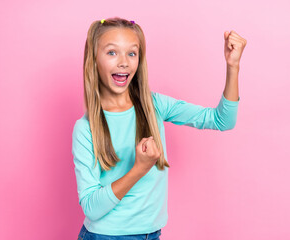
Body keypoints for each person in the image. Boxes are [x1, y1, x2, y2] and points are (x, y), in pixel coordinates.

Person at [72, 17, 247, 240]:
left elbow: (222, 120)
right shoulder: (85, 129)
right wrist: (139, 169)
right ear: (94, 60)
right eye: (112, 52)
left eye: (132, 53)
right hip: (106, 236)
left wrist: (233, 66)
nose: (124, 62)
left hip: (151, 235)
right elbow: (91, 208)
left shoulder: (154, 105)